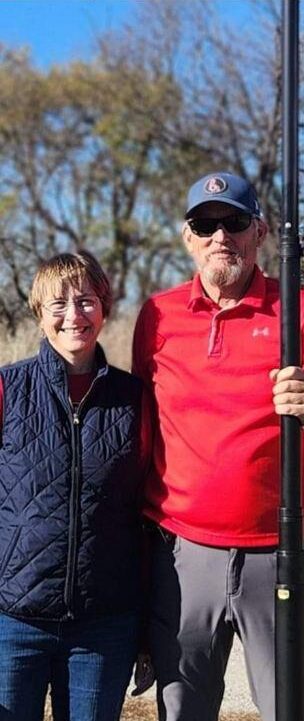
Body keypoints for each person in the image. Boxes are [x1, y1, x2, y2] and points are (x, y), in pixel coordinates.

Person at [132, 172, 304, 721]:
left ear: (259, 232)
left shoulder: (303, 311)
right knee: (181, 708)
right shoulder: (156, 316)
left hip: (284, 553)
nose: (220, 237)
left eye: (234, 222)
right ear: (187, 237)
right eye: (205, 224)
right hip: (181, 555)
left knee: (292, 709)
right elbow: (139, 436)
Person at [0, 250, 150, 721]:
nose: (73, 316)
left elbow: (146, 518)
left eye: (85, 301)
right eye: (57, 304)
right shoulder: (6, 389)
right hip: (13, 621)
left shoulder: (136, 401)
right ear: (39, 313)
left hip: (103, 628)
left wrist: (146, 627)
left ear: (104, 308)